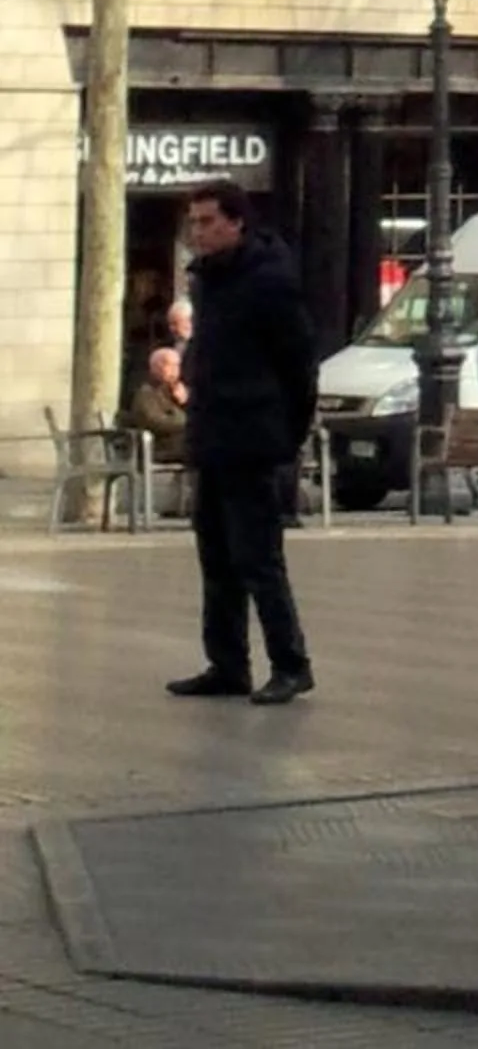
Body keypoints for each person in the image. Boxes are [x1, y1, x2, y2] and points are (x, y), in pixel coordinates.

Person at [166, 181, 319, 707]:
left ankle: (291, 664)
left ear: (237, 222)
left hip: (253, 439)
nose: (198, 231)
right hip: (213, 436)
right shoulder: (208, 280)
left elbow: (299, 364)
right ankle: (227, 663)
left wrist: (287, 435)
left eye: (208, 221)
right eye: (193, 222)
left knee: (258, 558)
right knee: (217, 557)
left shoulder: (269, 282)